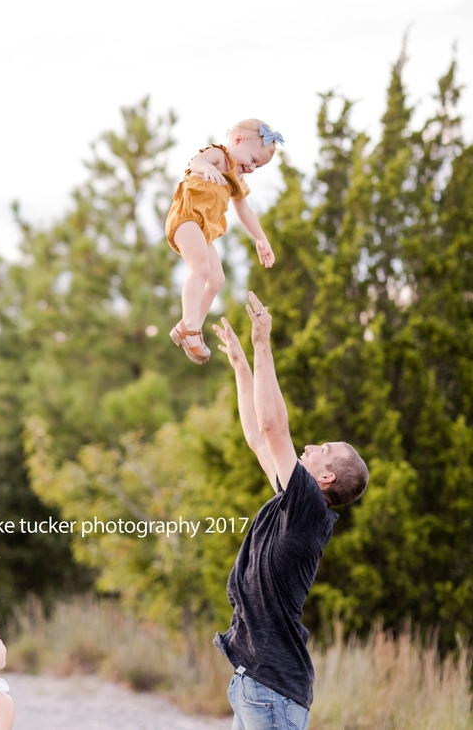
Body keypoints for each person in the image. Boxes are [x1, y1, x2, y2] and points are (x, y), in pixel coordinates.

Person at [212, 292, 369, 730]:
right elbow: (259, 440)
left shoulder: (309, 513)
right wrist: (243, 369)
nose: (314, 445)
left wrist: (264, 344)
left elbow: (273, 427)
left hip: (273, 692)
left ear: (326, 479)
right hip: (255, 685)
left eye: (325, 450)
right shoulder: (293, 506)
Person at [166, 119, 283, 364]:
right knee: (201, 270)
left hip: (202, 230)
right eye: (252, 160)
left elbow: (245, 211)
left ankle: (182, 328)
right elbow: (196, 163)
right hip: (186, 219)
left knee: (217, 279)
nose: (251, 168)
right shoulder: (218, 156)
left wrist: (260, 238)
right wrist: (206, 169)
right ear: (238, 140)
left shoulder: (237, 182)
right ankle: (191, 327)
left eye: (258, 167)